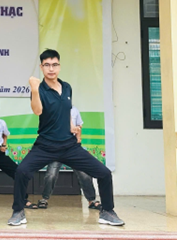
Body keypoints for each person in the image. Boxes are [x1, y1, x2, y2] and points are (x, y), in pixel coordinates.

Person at [8, 49, 124, 226]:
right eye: (47, 65)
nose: (51, 69)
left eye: (54, 64)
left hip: (69, 146)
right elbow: (37, 111)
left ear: (59, 66)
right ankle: (18, 212)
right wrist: (34, 89)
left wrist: (71, 126)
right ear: (41, 67)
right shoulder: (39, 89)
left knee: (104, 173)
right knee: (21, 172)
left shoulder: (67, 87)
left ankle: (107, 211)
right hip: (45, 146)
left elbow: (66, 109)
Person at [37, 105, 101, 210]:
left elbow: (79, 126)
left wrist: (78, 139)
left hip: (72, 148)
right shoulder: (52, 109)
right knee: (51, 175)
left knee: (84, 174)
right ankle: (44, 199)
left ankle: (91, 201)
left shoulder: (74, 110)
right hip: (56, 148)